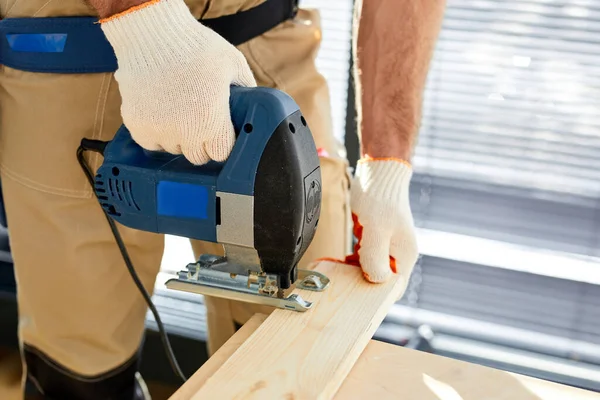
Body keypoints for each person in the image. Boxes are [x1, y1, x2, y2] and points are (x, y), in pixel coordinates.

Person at [0, 0, 445, 398]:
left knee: (298, 356)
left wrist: (386, 162)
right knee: (77, 370)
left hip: (265, 46)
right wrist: (144, 21)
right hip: (74, 57)